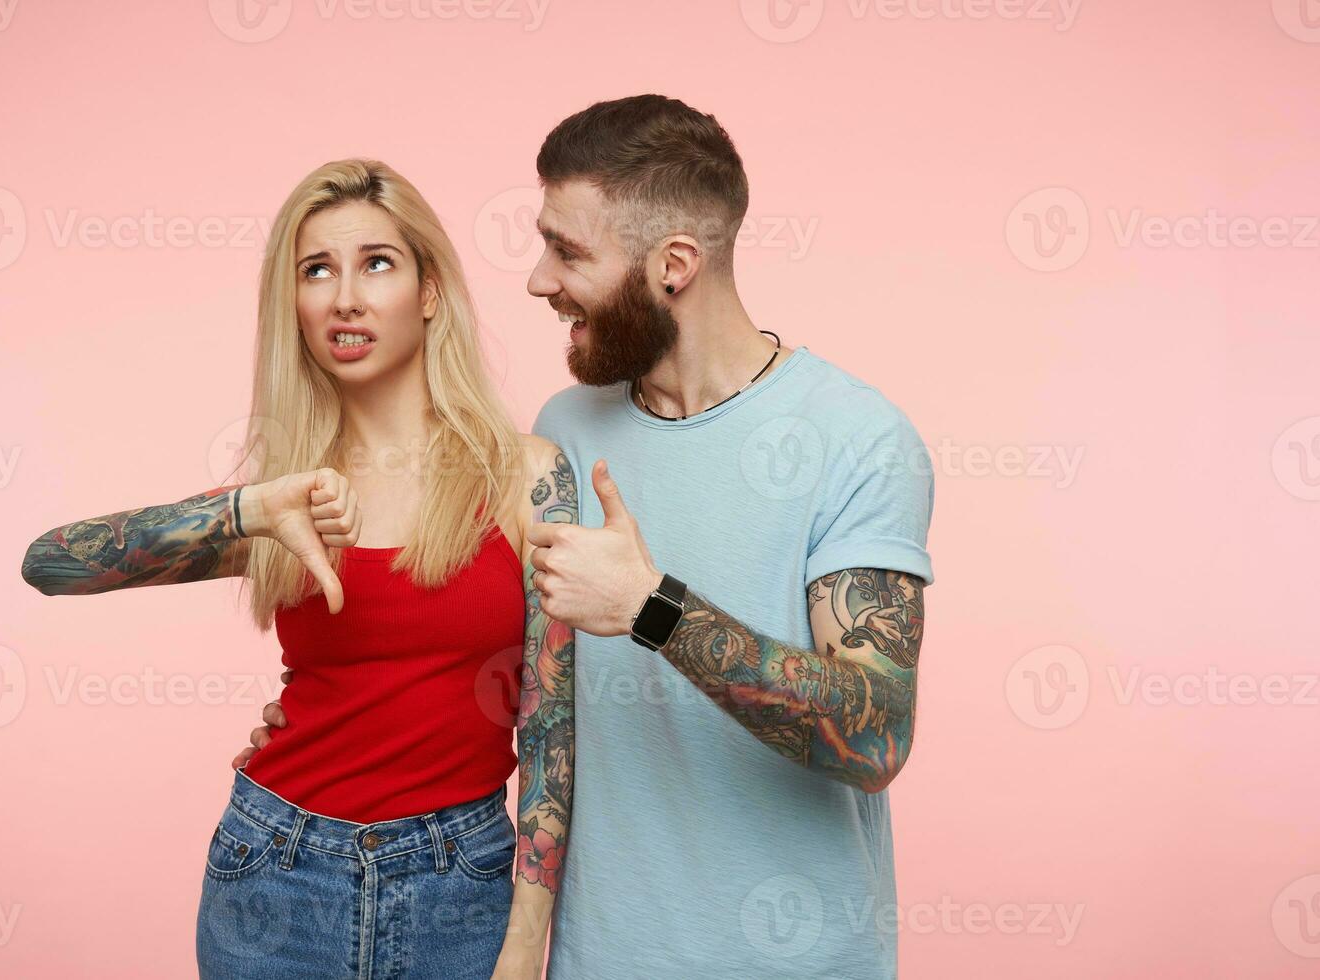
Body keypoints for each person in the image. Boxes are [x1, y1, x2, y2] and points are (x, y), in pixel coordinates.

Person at [246, 95, 935, 979]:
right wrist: (341, 722)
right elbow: (534, 690)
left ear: (674, 264)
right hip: (592, 958)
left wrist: (656, 611)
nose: (538, 279)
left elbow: (875, 737)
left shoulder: (858, 441)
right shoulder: (563, 432)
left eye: (568, 251)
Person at [20, 159, 577, 980]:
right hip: (277, 873)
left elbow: (552, 726)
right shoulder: (287, 494)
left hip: (462, 881)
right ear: (297, 305)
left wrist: (528, 937)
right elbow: (51, 564)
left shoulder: (529, 476)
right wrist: (247, 510)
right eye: (317, 270)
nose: (345, 296)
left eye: (376, 263)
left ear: (428, 291)